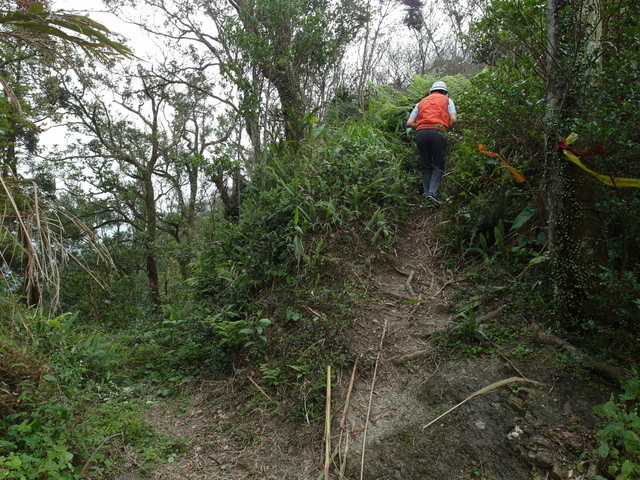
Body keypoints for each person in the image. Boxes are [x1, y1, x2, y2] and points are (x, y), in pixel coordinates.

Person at [406, 81, 457, 205]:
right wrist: (446, 129)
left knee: (426, 166)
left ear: (430, 91)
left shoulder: (421, 102)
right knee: (438, 165)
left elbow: (409, 123)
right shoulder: (447, 100)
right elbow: (454, 119)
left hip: (420, 133)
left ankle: (426, 195)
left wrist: (421, 126)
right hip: (438, 131)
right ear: (444, 92)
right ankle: (432, 193)